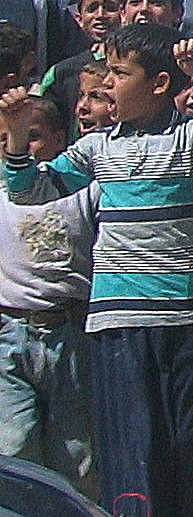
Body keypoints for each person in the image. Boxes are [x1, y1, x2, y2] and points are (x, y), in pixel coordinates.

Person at [4, 26, 193, 517]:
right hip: (116, 321)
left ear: (160, 83)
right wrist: (17, 137)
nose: (108, 86)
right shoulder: (96, 149)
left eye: (120, 74)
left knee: (182, 443)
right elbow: (31, 192)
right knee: (127, 446)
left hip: (182, 319)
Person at [0, 92, 96, 493]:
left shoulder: (83, 191)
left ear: (59, 139)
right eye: (7, 137)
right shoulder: (4, 191)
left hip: (68, 333)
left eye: (31, 136)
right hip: (11, 331)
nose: (16, 145)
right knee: (14, 446)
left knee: (76, 455)